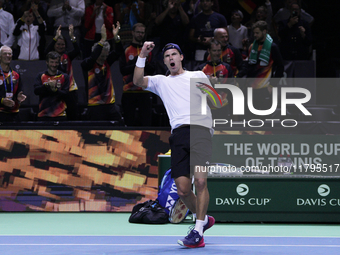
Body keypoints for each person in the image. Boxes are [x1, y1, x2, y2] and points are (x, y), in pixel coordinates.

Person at [133, 42, 219, 248]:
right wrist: (143, 55)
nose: (171, 58)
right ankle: (204, 220)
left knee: (200, 182)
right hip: (179, 135)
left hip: (200, 131)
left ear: (181, 57)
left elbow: (214, 94)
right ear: (164, 61)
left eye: (174, 54)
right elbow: (137, 80)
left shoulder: (197, 75)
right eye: (167, 56)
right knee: (182, 190)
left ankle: (198, 231)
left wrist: (213, 84)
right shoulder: (160, 82)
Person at [81, 23, 124, 122]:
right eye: (101, 55)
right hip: (95, 105)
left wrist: (116, 37)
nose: (103, 58)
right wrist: (102, 40)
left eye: (105, 55)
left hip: (110, 105)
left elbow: (119, 51)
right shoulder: (87, 64)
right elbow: (92, 58)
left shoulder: (107, 62)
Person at [119, 23, 155, 126]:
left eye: (142, 33)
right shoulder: (126, 49)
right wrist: (138, 62)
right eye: (138, 32)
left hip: (144, 91)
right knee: (129, 122)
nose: (140, 34)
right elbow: (122, 70)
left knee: (146, 123)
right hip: (129, 91)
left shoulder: (149, 50)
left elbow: (153, 69)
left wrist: (145, 62)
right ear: (133, 33)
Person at [247, 21, 284, 117]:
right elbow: (249, 67)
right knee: (251, 117)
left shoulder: (272, 47)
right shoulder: (252, 46)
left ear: (264, 32)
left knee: (265, 118)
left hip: (265, 88)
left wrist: (272, 85)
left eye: (257, 33)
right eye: (254, 33)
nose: (255, 35)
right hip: (251, 88)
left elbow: (280, 67)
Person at [45, 24, 80, 120]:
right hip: (57, 90)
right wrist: (55, 38)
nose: (60, 46)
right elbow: (46, 51)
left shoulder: (67, 56)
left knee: (73, 116)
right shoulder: (51, 57)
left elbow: (77, 50)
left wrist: (72, 37)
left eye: (63, 44)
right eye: (58, 44)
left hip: (70, 90)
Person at [196, 40, 233, 118]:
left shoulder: (227, 68)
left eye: (219, 50)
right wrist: (209, 82)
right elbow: (196, 88)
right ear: (209, 51)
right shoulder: (201, 69)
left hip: (223, 107)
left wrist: (217, 84)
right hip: (206, 108)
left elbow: (232, 87)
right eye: (214, 51)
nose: (217, 53)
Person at [34, 51, 70, 121]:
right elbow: (36, 91)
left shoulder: (64, 76)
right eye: (52, 62)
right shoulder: (40, 76)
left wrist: (55, 90)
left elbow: (67, 94)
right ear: (47, 62)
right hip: (44, 115)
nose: (54, 65)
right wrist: (47, 85)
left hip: (60, 115)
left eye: (56, 62)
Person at [0, 46, 26, 121]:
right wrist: (2, 101)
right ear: (0, 57)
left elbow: (19, 91)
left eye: (9, 54)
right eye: (5, 54)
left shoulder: (16, 75)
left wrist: (19, 97)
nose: (8, 56)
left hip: (14, 114)